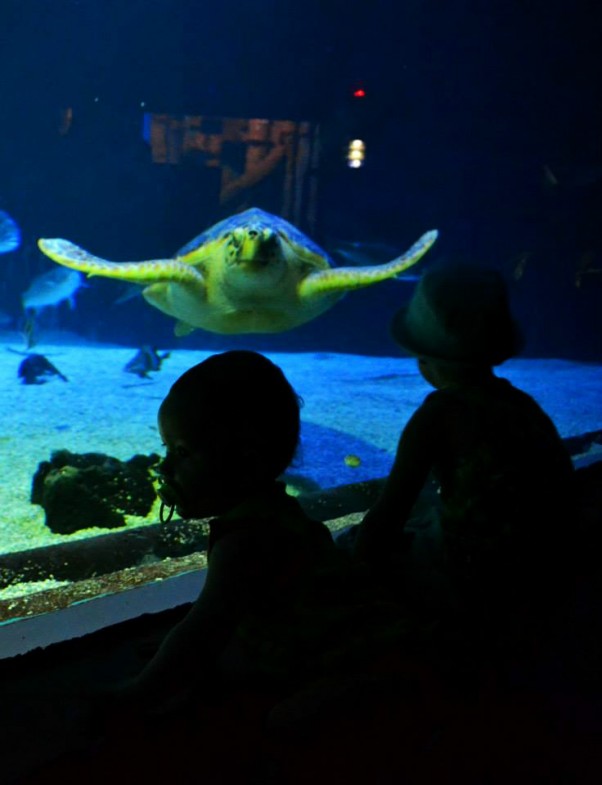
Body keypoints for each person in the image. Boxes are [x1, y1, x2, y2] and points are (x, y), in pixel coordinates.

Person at [353, 266, 575, 641]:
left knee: (355, 545)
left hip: (477, 585)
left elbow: (387, 517)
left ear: (422, 357)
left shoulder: (438, 414)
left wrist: (354, 573)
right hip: (550, 571)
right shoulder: (523, 405)